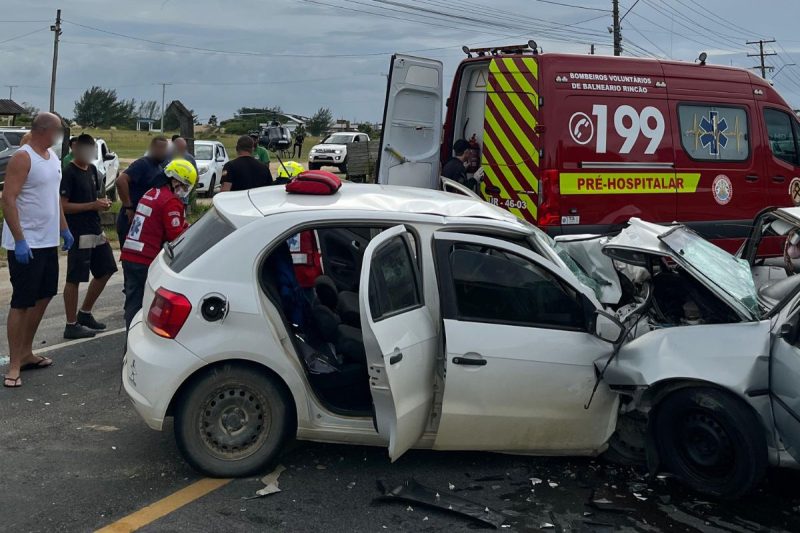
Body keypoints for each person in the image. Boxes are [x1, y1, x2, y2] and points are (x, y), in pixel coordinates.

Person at [1, 112, 74, 388]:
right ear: (46, 130)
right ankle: (14, 365)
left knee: (44, 295)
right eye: (58, 131)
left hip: (47, 241)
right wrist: (19, 239)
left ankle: (26, 352)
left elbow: (53, 198)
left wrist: (64, 229)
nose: (60, 136)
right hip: (27, 243)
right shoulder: (23, 157)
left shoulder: (52, 157)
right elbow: (8, 199)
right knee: (22, 302)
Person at [120, 159, 196, 328]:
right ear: (175, 181)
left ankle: (130, 334)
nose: (184, 191)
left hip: (130, 254)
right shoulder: (171, 201)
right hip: (146, 258)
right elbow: (175, 236)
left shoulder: (152, 192)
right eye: (184, 186)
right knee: (148, 306)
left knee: (133, 304)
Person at [60, 133, 117, 339]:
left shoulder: (92, 170)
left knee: (106, 269)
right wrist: (92, 205)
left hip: (95, 228)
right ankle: (71, 324)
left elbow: (93, 199)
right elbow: (63, 206)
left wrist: (100, 204)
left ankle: (84, 313)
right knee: (75, 277)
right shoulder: (69, 172)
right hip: (78, 231)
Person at [116, 136, 169, 245]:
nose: (163, 152)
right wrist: (128, 207)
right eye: (160, 148)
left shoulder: (159, 168)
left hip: (144, 220)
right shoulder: (143, 164)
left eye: (165, 148)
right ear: (152, 148)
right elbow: (121, 181)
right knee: (130, 252)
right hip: (131, 219)